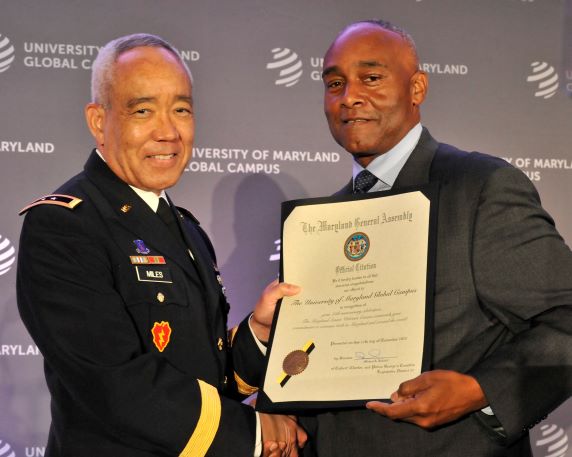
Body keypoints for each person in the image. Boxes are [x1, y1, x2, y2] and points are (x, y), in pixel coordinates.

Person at [17, 33, 306, 457]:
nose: (168, 131)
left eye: (181, 109)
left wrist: (257, 332)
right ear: (99, 121)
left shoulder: (185, 229)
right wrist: (256, 434)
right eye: (143, 110)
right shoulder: (62, 224)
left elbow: (201, 373)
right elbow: (117, 384)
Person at [298, 19, 572, 457]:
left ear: (417, 88)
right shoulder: (319, 221)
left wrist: (480, 390)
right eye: (334, 83)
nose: (349, 97)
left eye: (371, 78)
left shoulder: (480, 187)